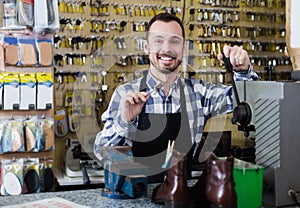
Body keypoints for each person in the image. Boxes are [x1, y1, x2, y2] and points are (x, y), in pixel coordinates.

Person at [94, 12, 258, 182]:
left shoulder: (199, 93)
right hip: (136, 198)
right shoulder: (125, 94)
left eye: (174, 41)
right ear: (146, 47)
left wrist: (243, 71)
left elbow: (244, 102)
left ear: (184, 48)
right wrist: (124, 121)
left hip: (180, 196)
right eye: (158, 40)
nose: (166, 49)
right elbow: (100, 153)